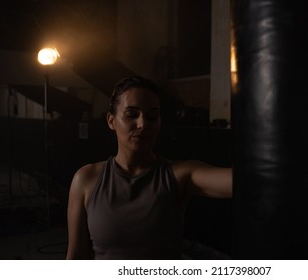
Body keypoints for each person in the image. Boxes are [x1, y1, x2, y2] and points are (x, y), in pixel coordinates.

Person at [66, 76, 232, 259]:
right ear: (111, 121)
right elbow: (75, 257)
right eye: (131, 114)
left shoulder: (179, 175)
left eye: (152, 116)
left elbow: (246, 183)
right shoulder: (87, 179)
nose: (143, 124)